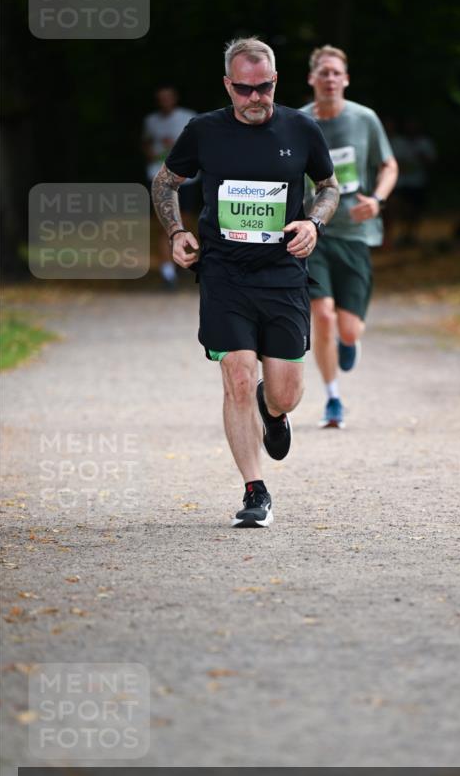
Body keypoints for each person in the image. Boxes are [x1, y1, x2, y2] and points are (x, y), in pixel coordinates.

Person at [151, 38, 339, 527]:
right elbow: (165, 182)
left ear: (276, 81)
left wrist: (313, 224)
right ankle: (255, 491)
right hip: (223, 273)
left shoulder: (301, 129)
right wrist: (176, 232)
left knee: (285, 393)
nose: (255, 98)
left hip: (282, 276)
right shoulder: (203, 131)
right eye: (244, 89)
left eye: (265, 87)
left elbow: (329, 187)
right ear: (227, 86)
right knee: (237, 374)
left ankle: (272, 413)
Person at [301, 45, 398, 428]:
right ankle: (333, 398)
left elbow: (388, 165)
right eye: (323, 72)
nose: (329, 79)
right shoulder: (299, 122)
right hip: (315, 232)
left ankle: (349, 340)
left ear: (346, 79)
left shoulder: (364, 119)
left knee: (348, 327)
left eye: (336, 73)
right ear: (312, 79)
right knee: (321, 316)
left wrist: (377, 200)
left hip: (356, 233)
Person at [143, 86, 200, 288]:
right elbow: (147, 144)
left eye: (168, 98)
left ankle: (184, 264)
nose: (164, 101)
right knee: (163, 225)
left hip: (186, 179)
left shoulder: (188, 117)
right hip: (158, 177)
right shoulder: (151, 121)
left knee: (185, 222)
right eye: (161, 98)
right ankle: (168, 273)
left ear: (174, 98)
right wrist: (153, 153)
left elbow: (197, 145)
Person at [390, 118, 437, 246]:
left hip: (418, 182)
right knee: (401, 209)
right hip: (400, 183)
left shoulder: (425, 142)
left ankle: (412, 235)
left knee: (415, 210)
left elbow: (431, 163)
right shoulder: (398, 142)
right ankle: (401, 234)